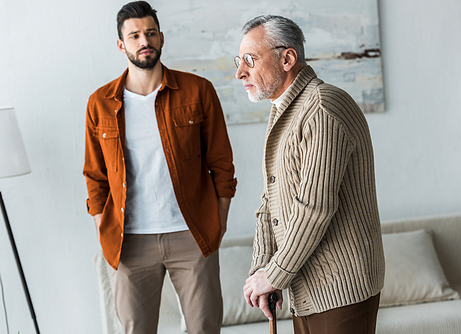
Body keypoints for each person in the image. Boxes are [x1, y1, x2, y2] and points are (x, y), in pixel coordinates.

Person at [83, 2, 237, 333]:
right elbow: (95, 176)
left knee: (205, 328)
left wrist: (219, 222)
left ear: (162, 38)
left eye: (150, 33)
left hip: (192, 235)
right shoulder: (100, 103)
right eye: (135, 35)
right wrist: (101, 225)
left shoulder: (198, 91)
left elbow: (222, 165)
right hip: (130, 241)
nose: (144, 41)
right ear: (121, 45)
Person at [236, 15, 385, 334]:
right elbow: (270, 201)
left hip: (339, 290)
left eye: (250, 59)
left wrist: (274, 274)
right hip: (305, 288)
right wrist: (263, 269)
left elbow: (314, 210)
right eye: (240, 61)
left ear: (287, 58)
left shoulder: (323, 107)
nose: (240, 72)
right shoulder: (283, 113)